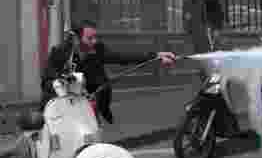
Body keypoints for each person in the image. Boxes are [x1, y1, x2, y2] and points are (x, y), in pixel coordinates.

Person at [40, 20, 177, 124]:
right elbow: (47, 80)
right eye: (90, 38)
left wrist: (156, 56)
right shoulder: (60, 52)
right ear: (75, 38)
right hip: (62, 102)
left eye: (95, 37)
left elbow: (122, 56)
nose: (94, 42)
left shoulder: (98, 49)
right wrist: (60, 86)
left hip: (89, 99)